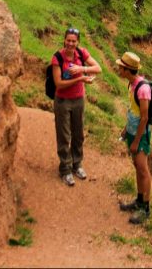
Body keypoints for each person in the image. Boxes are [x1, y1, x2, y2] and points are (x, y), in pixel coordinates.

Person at [51, 26, 100, 186]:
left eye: (74, 41)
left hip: (79, 100)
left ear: (78, 42)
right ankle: (65, 169)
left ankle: (76, 164)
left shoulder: (81, 53)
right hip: (63, 101)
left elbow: (97, 68)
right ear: (64, 40)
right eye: (68, 40)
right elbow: (58, 84)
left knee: (78, 134)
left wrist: (82, 69)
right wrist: (80, 79)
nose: (70, 44)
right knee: (64, 135)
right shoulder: (57, 58)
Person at [114, 51, 152, 224]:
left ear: (128, 69)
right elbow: (133, 110)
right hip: (132, 131)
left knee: (143, 169)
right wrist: (125, 130)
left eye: (121, 67)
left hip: (140, 135)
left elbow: (144, 117)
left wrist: (136, 141)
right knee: (137, 166)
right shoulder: (131, 85)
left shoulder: (143, 89)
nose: (118, 69)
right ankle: (138, 200)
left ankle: (145, 208)